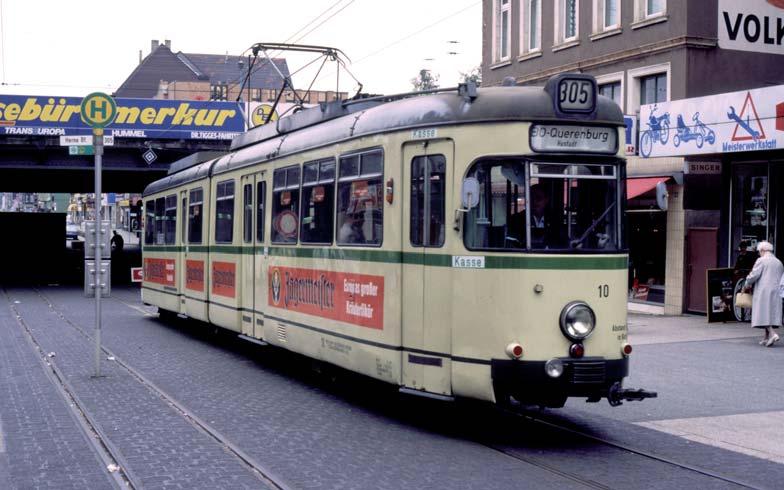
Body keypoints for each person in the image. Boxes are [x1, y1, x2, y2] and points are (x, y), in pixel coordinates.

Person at [743, 240, 782, 347]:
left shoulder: (761, 260)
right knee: (769, 313)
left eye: (759, 251)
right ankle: (766, 337)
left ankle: (773, 334)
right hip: (776, 291)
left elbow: (754, 275)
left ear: (763, 250)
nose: (759, 253)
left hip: (763, 291)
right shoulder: (778, 262)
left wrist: (746, 283)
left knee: (763, 312)